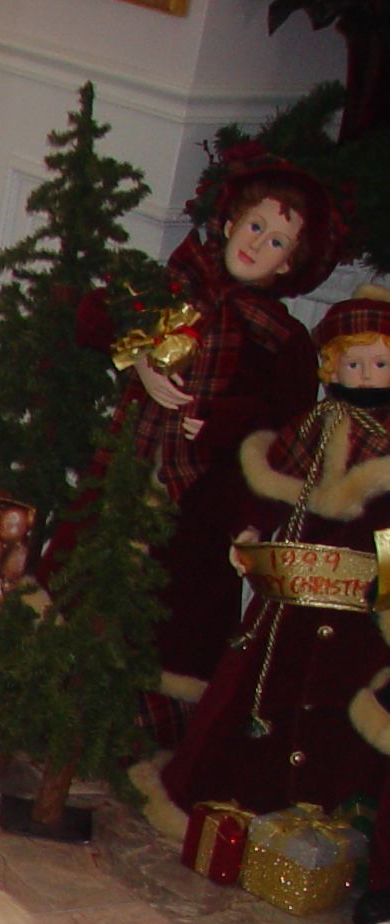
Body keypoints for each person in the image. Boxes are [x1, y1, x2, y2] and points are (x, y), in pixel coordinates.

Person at [156, 286, 390, 922]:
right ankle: (230, 800)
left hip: (358, 609)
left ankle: (331, 832)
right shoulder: (312, 429)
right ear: (331, 367)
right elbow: (272, 490)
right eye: (354, 363)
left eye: (380, 364)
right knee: (258, 688)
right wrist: (255, 529)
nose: (366, 376)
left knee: (341, 709)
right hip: (293, 592)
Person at [77, 151, 347, 687]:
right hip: (129, 468)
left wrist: (226, 425)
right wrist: (140, 362)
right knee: (89, 583)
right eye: (255, 225)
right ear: (229, 223)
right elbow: (95, 314)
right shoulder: (177, 285)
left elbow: (287, 433)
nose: (256, 243)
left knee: (175, 614)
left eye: (276, 241)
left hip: (203, 497)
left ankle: (142, 730)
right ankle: (62, 707)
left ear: (289, 264)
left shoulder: (282, 339)